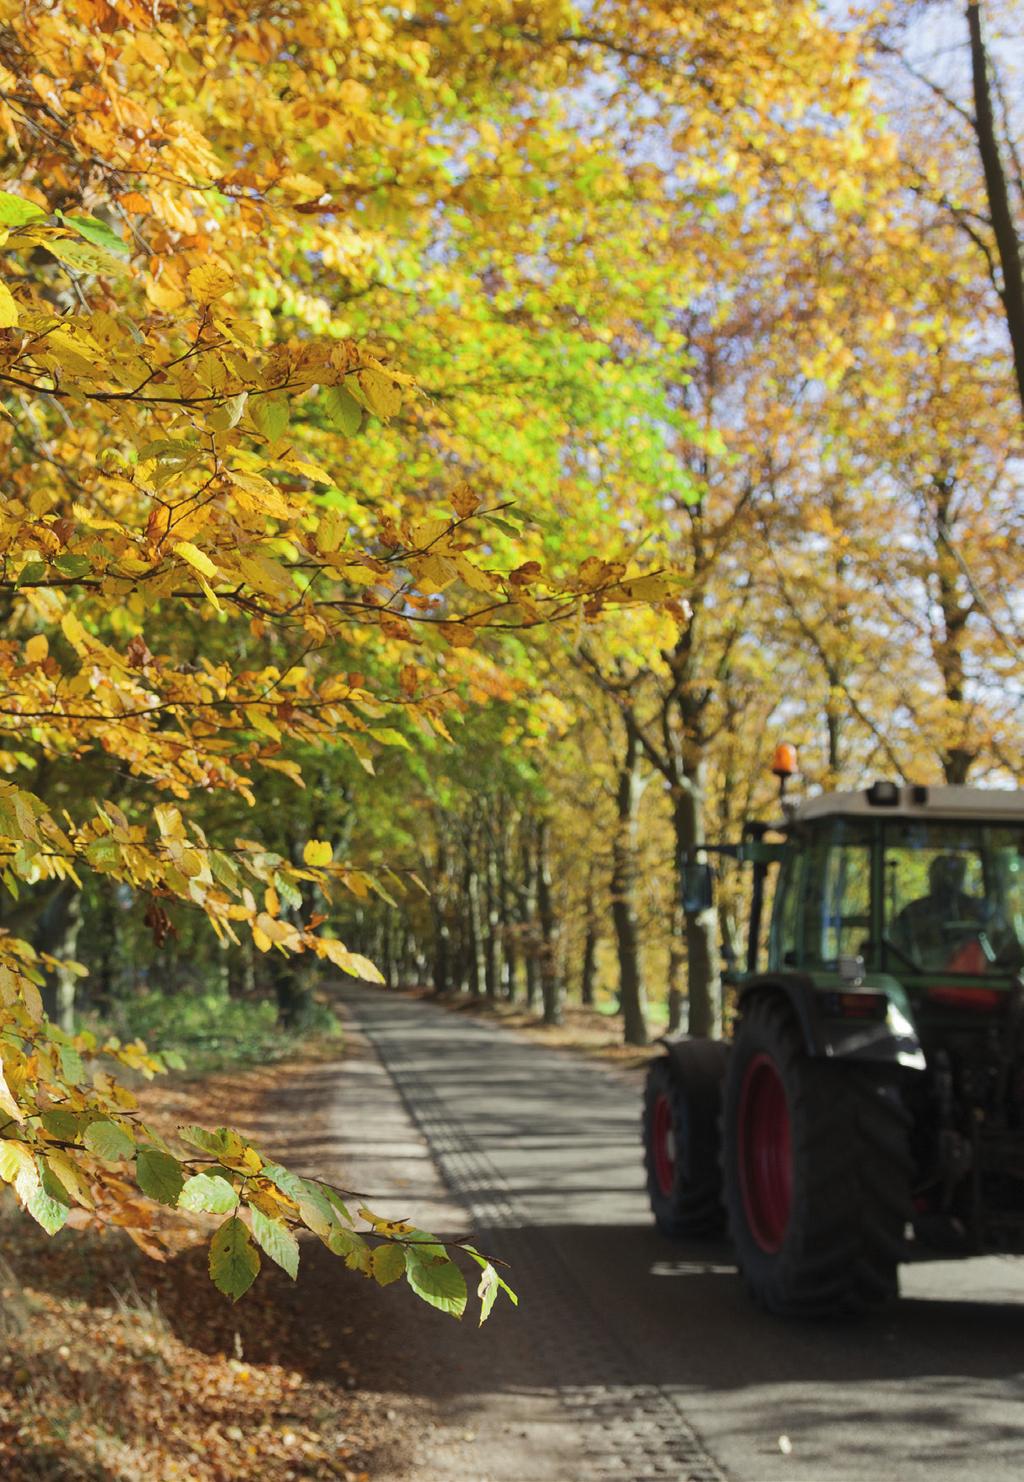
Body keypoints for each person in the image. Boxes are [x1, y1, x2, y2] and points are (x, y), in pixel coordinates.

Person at [890, 854, 986, 972]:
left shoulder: (977, 910)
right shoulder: (913, 912)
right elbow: (895, 951)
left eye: (954, 873)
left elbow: (998, 945)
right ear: (932, 875)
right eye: (943, 872)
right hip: (923, 979)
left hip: (975, 981)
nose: (948, 879)